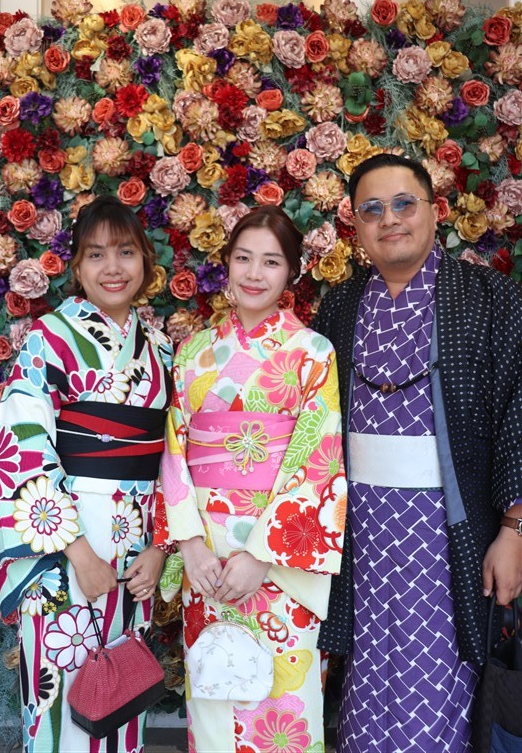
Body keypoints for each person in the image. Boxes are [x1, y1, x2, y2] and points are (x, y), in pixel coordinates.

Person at [312, 153, 522, 753]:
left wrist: (515, 530)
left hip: (449, 530)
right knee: (366, 682)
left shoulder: (490, 297)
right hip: (361, 530)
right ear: (356, 225)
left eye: (405, 203)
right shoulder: (341, 305)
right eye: (372, 209)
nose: (390, 219)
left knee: (440, 684)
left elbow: (518, 412)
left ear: (436, 211)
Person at [154, 206, 347, 753]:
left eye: (271, 262)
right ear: (227, 264)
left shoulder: (312, 353)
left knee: (283, 704)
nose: (255, 274)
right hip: (207, 560)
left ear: (292, 273)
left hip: (277, 562)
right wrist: (190, 546)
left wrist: (261, 556)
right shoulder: (193, 353)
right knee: (213, 694)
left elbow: (318, 459)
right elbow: (174, 452)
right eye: (243, 258)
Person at [0, 196, 173, 753]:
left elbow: (174, 458)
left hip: (136, 549)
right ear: (76, 267)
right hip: (65, 548)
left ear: (145, 261)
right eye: (96, 254)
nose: (112, 267)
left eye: (125, 252)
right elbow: (21, 443)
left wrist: (160, 549)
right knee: (61, 696)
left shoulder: (161, 349)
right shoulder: (47, 339)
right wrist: (78, 552)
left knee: (122, 691)